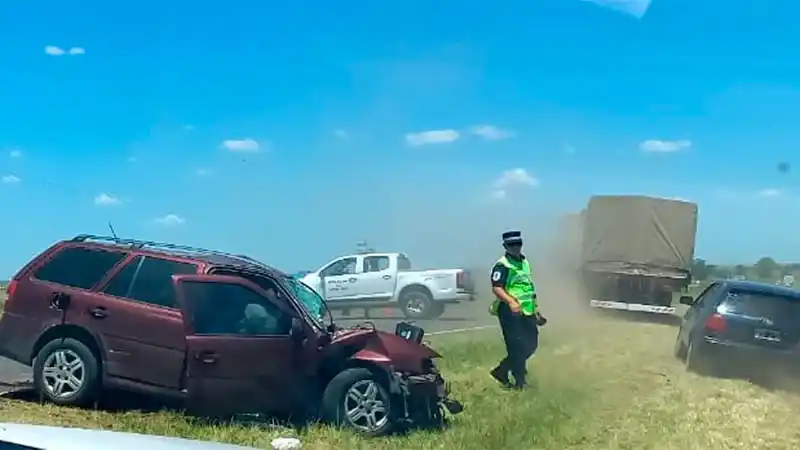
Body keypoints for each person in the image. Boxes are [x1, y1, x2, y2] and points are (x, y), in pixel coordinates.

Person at [488, 230, 547, 389]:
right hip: (509, 312)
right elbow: (497, 288)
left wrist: (536, 311)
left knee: (531, 344)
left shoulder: (524, 262)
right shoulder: (502, 265)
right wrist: (511, 302)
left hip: (527, 310)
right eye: (511, 245)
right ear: (505, 246)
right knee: (516, 345)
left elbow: (528, 288)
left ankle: (502, 370)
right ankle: (520, 382)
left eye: (518, 244)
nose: (515, 247)